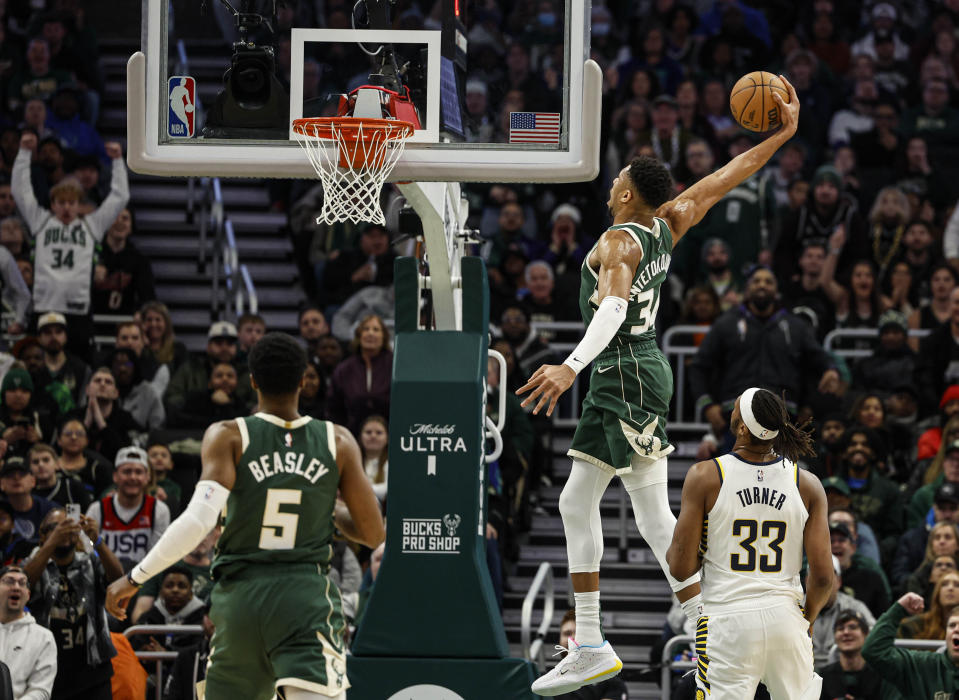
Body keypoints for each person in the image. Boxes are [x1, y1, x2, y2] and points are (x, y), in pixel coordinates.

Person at [519, 78, 802, 696]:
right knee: (652, 517)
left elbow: (614, 310)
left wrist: (571, 366)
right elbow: (727, 175)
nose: (613, 181)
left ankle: (590, 642)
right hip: (649, 369)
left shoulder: (618, 238)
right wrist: (782, 134)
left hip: (620, 368)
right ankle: (708, 618)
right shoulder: (668, 223)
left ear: (622, 191)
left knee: (575, 504)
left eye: (616, 176)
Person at [105, 332, 386, 700]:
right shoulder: (339, 441)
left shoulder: (228, 435)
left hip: (241, 598)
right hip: (305, 597)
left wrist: (134, 577)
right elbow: (372, 533)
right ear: (304, 380)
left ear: (251, 381)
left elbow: (197, 521)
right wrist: (325, 509)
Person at [666, 387, 833, 699]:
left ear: (742, 426)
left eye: (736, 409)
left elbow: (680, 567)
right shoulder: (807, 483)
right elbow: (824, 578)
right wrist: (806, 620)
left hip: (729, 621)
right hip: (786, 615)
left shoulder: (706, 475)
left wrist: (699, 545)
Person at [12, 132, 129, 361]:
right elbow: (20, 191)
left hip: (78, 309)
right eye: (61, 203)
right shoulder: (41, 221)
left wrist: (117, 161)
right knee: (36, 364)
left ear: (79, 204)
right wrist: (24, 154)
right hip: (45, 305)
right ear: (53, 204)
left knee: (79, 366)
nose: (66, 208)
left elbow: (120, 197)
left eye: (71, 203)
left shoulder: (91, 225)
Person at [23, 507, 123, 700]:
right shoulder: (32, 562)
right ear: (42, 536)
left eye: (70, 525)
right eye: (56, 527)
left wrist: (97, 540)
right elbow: (24, 584)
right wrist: (52, 543)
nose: (64, 530)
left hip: (92, 671)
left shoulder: (89, 562)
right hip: (47, 671)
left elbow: (118, 580)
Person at [85, 446, 171, 573]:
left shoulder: (159, 510)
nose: (133, 477)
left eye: (138, 472)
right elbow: (88, 552)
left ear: (147, 477)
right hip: (104, 578)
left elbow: (156, 557)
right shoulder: (97, 509)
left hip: (143, 578)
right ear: (115, 476)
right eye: (127, 472)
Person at [862, 591, 959, 697]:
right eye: (952, 625)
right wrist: (898, 610)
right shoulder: (922, 666)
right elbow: (873, 651)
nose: (956, 630)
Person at [326, 314, 392, 437]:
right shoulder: (344, 369)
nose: (370, 333)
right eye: (366, 329)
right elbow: (334, 407)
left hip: (390, 436)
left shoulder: (394, 365)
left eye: (376, 329)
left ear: (384, 336)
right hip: (351, 435)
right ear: (359, 335)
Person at [0, 565, 57, 699]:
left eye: (22, 583)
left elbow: (41, 690)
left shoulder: (43, 638)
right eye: (9, 581)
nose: (16, 587)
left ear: (28, 594)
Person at [819, 610, 901, 700]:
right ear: (835, 637)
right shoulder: (823, 677)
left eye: (852, 627)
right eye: (840, 629)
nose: (846, 632)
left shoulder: (881, 675)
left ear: (866, 634)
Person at [550, 609, 628, 700]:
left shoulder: (611, 684)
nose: (572, 639)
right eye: (567, 634)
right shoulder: (546, 682)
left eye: (579, 633)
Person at [0, 455, 56, 544]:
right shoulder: (1, 511)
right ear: (1, 484)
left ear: (33, 481)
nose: (16, 478)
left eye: (22, 474)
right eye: (10, 475)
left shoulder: (51, 511)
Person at [28, 442, 92, 510]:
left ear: (57, 464)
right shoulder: (28, 494)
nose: (41, 465)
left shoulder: (72, 487)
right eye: (35, 462)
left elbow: (88, 516)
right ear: (30, 468)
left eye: (46, 460)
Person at [897, 571, 959, 639]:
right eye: (944, 584)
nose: (950, 588)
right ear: (937, 593)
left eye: (957, 585)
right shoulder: (915, 626)